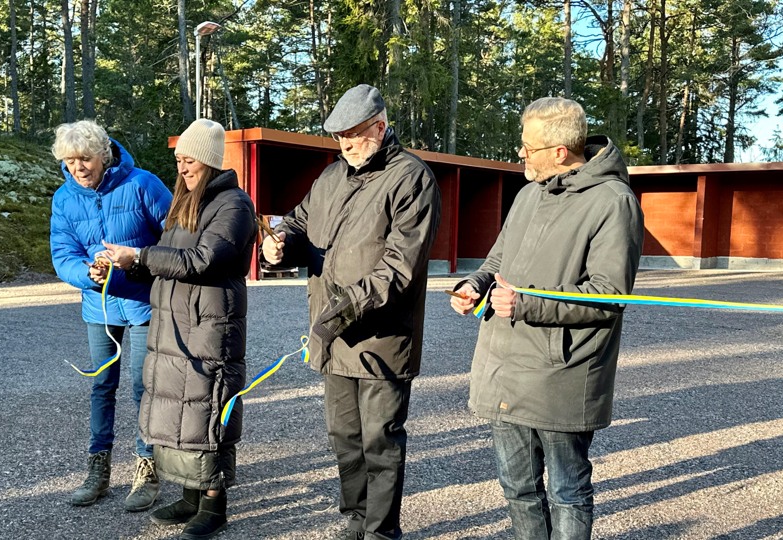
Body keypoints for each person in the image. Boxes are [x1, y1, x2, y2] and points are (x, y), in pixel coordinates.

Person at [449, 97, 644, 540]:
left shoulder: (614, 202)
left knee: (566, 491)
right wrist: (475, 285)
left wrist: (526, 305)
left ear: (559, 151)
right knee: (517, 488)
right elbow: (499, 259)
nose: (522, 154)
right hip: (504, 367)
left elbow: (608, 297)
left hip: (563, 374)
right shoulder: (527, 194)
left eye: (528, 147)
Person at [262, 84, 441, 540]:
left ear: (379, 128)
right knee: (344, 438)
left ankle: (381, 532)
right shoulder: (331, 177)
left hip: (383, 336)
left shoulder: (411, 178)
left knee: (380, 441)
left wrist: (345, 307)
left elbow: (400, 268)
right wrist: (279, 246)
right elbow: (301, 224)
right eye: (339, 137)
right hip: (334, 333)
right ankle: (357, 520)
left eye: (353, 135)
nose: (344, 145)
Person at [100, 118, 256, 540]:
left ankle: (214, 505)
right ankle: (190, 497)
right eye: (179, 161)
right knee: (180, 413)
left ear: (207, 160)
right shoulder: (185, 201)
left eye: (188, 160)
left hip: (210, 326)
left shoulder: (234, 205)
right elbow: (166, 268)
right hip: (174, 325)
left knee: (209, 412)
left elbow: (202, 260)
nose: (182, 168)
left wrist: (140, 256)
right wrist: (115, 271)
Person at [50, 119, 173, 511]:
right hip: (98, 307)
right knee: (101, 387)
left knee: (144, 388)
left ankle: (147, 469)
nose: (78, 168)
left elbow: (175, 239)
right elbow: (62, 255)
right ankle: (97, 470)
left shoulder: (143, 184)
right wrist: (87, 274)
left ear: (104, 155)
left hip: (142, 304)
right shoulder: (64, 199)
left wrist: (138, 263)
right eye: (70, 161)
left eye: (85, 158)